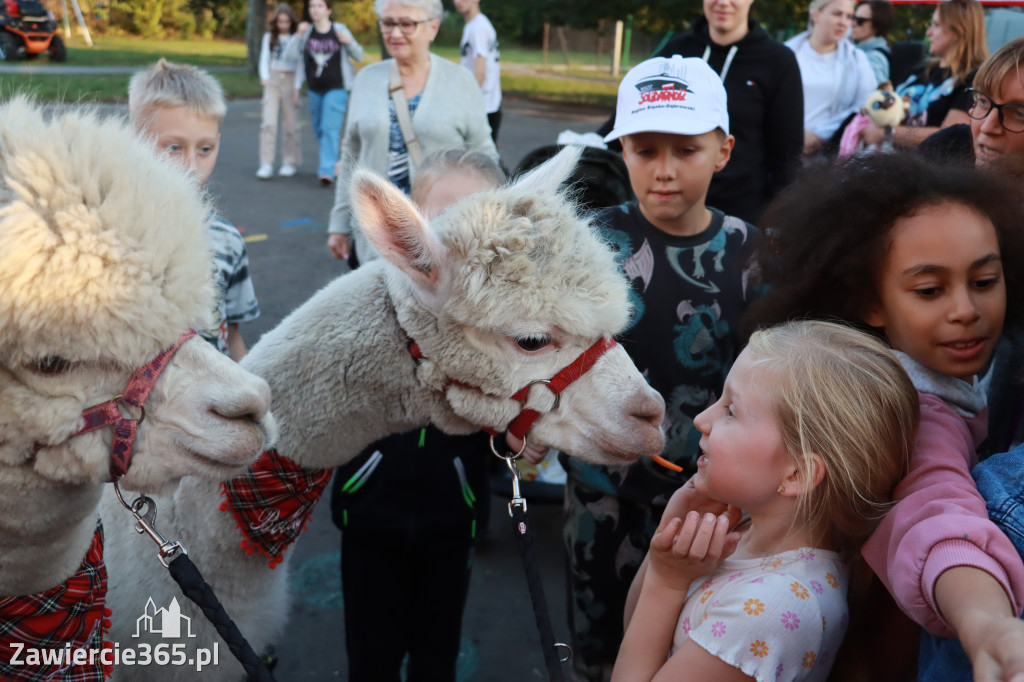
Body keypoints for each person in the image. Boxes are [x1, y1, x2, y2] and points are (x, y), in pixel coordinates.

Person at [744, 151, 1024, 681]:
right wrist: (986, 622)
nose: (965, 308)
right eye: (929, 290)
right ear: (871, 303)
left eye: (985, 281)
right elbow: (935, 506)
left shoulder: (927, 372)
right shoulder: (915, 413)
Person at [560, 55, 757, 682]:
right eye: (644, 150)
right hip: (600, 496)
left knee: (688, 653)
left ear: (723, 151)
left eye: (687, 150)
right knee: (597, 651)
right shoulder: (583, 246)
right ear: (621, 149)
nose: (664, 170)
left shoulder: (759, 258)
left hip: (712, 510)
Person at [611, 320, 919, 682]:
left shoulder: (772, 611)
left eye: (730, 411)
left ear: (797, 475)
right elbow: (639, 632)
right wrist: (667, 550)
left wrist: (667, 582)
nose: (700, 420)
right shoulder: (743, 528)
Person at [329, 148, 505, 682]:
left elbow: (514, 414)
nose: (456, 238)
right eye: (443, 219)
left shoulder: (501, 325)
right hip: (369, 514)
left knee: (436, 654)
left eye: (476, 218)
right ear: (409, 223)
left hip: (453, 519)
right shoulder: (369, 302)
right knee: (371, 655)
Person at [599, 0, 804, 224]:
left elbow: (786, 154)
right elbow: (634, 114)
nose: (723, 3)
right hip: (666, 208)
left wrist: (781, 218)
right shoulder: (676, 52)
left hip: (741, 208)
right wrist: (589, 145)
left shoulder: (777, 61)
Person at [326, 0, 498, 265]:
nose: (394, 33)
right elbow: (351, 156)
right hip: (377, 238)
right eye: (388, 23)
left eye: (406, 24)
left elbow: (484, 159)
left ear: (432, 28)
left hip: (443, 243)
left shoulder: (460, 82)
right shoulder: (365, 80)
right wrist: (338, 223)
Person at [128, 59, 260, 361]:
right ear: (135, 141)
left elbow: (232, 336)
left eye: (205, 150)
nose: (191, 167)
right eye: (173, 148)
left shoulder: (226, 240)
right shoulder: (111, 238)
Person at [860, 0, 987, 150]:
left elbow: (951, 135)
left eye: (936, 25)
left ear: (960, 31)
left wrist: (888, 132)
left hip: (922, 170)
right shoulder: (920, 70)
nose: (928, 32)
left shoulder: (973, 80)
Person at [785, 0, 877, 160]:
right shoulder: (788, 52)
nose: (844, 22)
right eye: (837, 14)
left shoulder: (857, 59)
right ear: (816, 14)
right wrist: (796, 133)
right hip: (784, 150)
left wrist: (821, 135)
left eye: (849, 16)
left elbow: (865, 105)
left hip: (830, 158)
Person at [285, 0, 364, 186]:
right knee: (320, 129)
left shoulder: (339, 30)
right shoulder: (306, 32)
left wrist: (350, 42)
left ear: (328, 9)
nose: (315, 10)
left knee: (330, 129)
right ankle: (335, 157)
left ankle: (327, 170)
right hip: (314, 89)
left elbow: (359, 55)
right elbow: (289, 57)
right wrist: (297, 35)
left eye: (319, 6)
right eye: (312, 6)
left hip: (337, 87)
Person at [256, 4, 302, 180]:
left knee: (290, 124)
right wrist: (265, 77)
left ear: (291, 22)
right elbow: (264, 59)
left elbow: (300, 64)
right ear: (276, 21)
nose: (283, 24)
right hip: (273, 81)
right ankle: (266, 163)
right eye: (280, 21)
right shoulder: (269, 37)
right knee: (268, 123)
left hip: (290, 81)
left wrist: (297, 86)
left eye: (286, 21)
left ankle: (290, 162)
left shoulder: (296, 38)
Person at [455, 0, 501, 143]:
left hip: (483, 106)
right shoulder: (474, 24)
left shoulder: (478, 28)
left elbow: (480, 72)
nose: (458, 1)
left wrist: (465, 104)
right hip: (487, 104)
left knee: (479, 161)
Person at [852, 0, 894, 85]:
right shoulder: (861, 50)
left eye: (860, 21)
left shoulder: (874, 58)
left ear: (877, 23)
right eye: (853, 18)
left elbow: (876, 95)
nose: (853, 24)